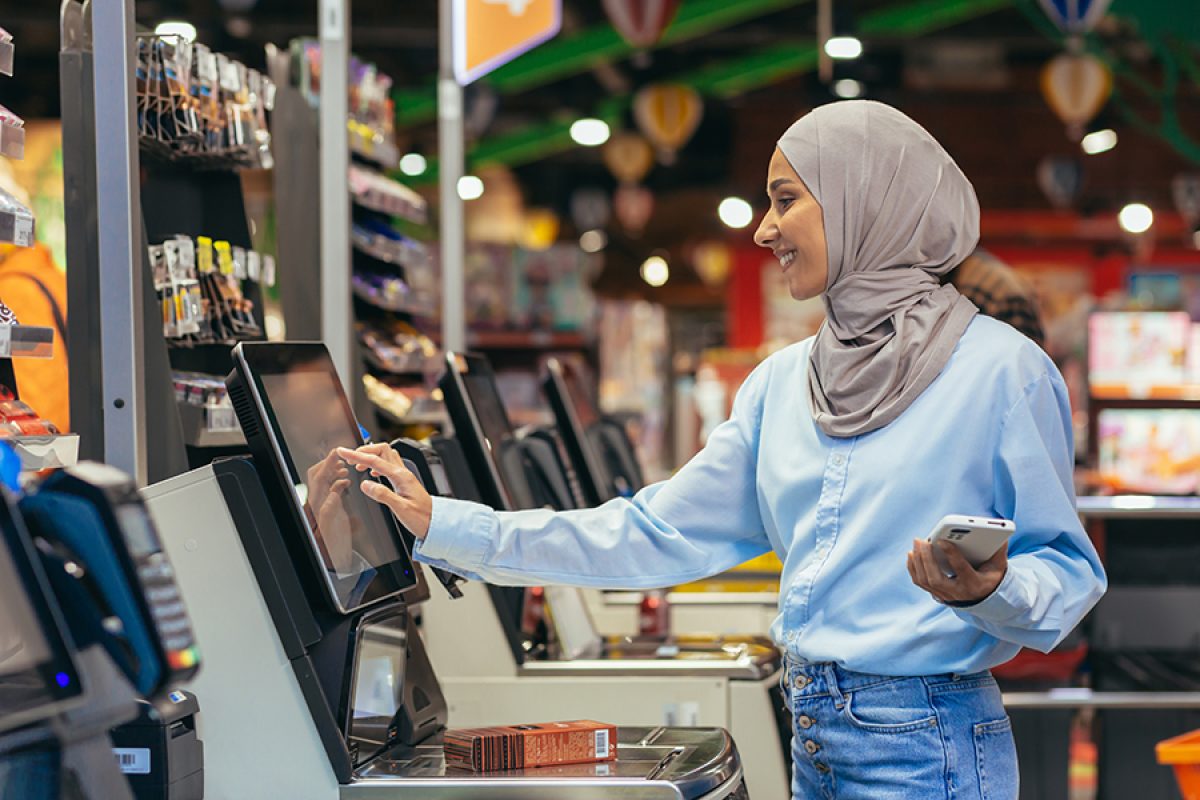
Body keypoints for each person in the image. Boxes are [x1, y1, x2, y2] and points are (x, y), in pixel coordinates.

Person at [340, 100, 1106, 799]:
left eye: (785, 201)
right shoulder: (782, 384)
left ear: (864, 199)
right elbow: (653, 532)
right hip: (816, 735)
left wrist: (989, 592)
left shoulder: (1001, 371)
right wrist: (446, 524)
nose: (763, 231)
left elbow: (1067, 572)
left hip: (929, 743)